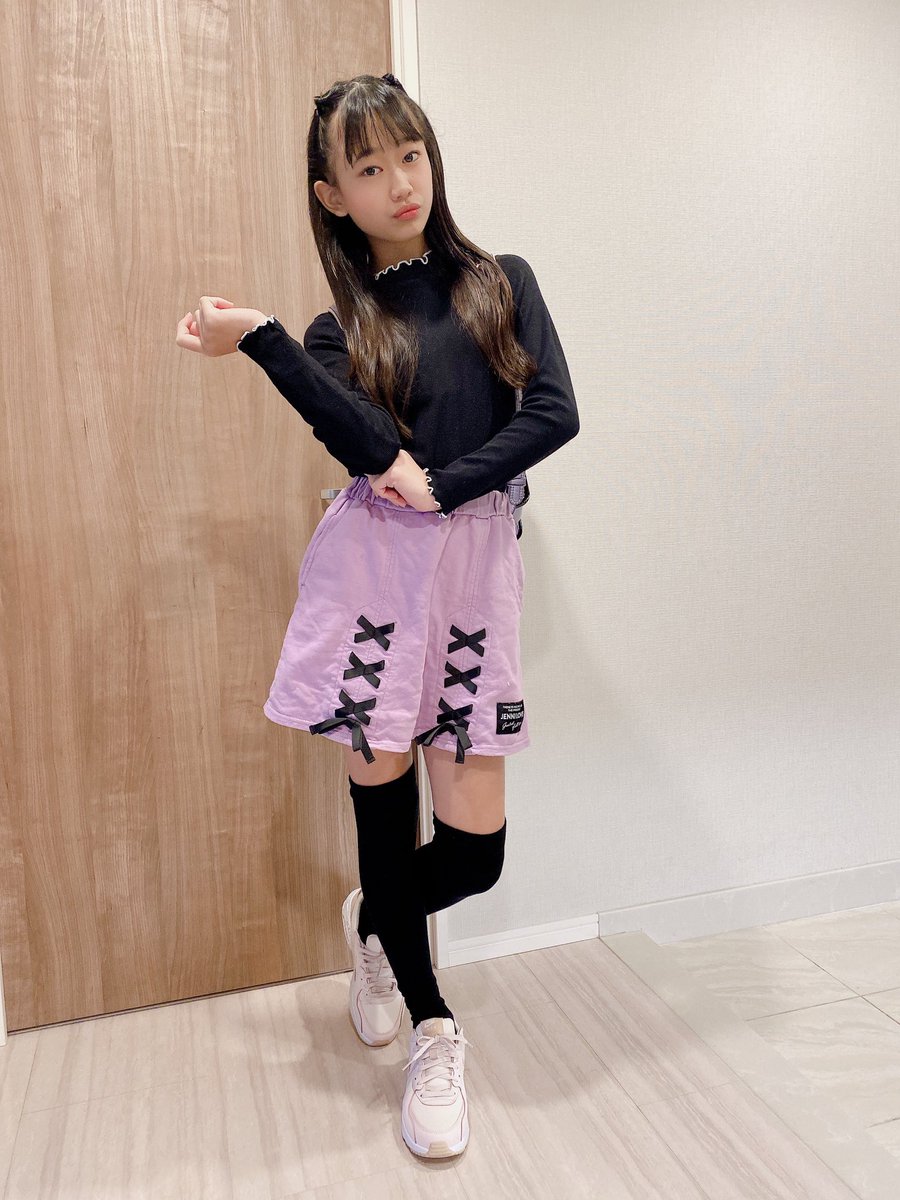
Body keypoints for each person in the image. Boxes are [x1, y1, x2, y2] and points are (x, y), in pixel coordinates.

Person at [175, 71, 579, 1160]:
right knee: (384, 803)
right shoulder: (332, 331)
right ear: (332, 196)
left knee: (476, 854)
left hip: (474, 586)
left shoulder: (502, 283)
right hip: (373, 591)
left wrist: (445, 488)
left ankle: (377, 917)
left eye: (410, 153)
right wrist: (261, 334)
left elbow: (554, 412)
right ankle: (434, 1031)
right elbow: (362, 442)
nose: (401, 181)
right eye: (368, 167)